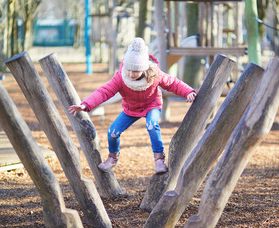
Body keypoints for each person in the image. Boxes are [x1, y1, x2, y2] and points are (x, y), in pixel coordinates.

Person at [69, 37, 196, 174]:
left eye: (135, 71)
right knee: (112, 132)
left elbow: (173, 83)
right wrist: (86, 105)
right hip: (131, 109)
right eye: (129, 69)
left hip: (151, 105)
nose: (131, 74)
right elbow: (104, 91)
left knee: (152, 125)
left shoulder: (154, 74)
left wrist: (188, 91)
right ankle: (113, 157)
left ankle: (159, 159)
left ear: (143, 68)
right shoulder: (121, 77)